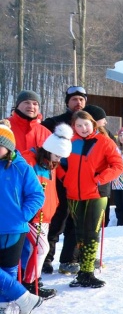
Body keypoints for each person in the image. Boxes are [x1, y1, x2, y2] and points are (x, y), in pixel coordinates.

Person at [61, 110, 123, 288]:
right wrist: (65, 179)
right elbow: (58, 164)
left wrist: (100, 179)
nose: (83, 128)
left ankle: (88, 272)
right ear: (74, 126)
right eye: (79, 125)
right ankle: (83, 272)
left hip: (96, 194)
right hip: (74, 194)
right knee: (79, 233)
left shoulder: (104, 141)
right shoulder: (69, 142)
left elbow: (118, 165)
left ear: (93, 124)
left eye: (86, 124)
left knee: (91, 233)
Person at [0, 121, 45, 314]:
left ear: (8, 146)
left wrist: (22, 216)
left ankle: (4, 312)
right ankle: (26, 299)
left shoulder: (21, 167)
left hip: (13, 228)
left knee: (8, 271)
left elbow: (37, 195)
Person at [21, 123, 72, 299]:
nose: (59, 159)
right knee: (42, 248)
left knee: (39, 250)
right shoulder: (29, 160)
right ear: (49, 149)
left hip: (45, 215)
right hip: (32, 215)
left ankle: (33, 282)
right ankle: (29, 284)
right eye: (57, 155)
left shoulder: (50, 164)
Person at [41, 85, 87, 275]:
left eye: (81, 99)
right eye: (74, 99)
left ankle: (70, 259)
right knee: (56, 219)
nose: (78, 103)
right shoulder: (54, 123)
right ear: (67, 102)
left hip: (80, 181)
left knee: (76, 222)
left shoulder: (87, 123)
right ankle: (45, 258)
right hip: (57, 180)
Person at [9, 89, 50, 163]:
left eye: (35, 104)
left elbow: (55, 162)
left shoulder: (46, 133)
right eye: (26, 102)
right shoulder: (5, 128)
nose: (31, 106)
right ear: (17, 106)